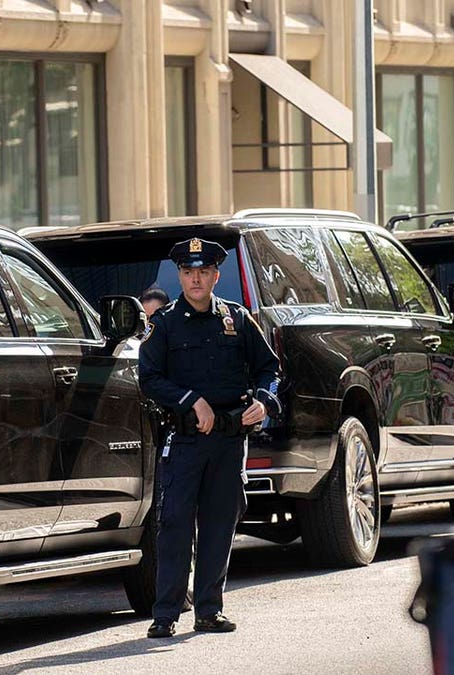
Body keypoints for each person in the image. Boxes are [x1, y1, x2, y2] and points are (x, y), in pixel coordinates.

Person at [138, 237, 281, 638]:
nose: (195, 279)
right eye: (187, 272)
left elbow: (270, 368)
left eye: (203, 272)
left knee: (220, 523)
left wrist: (264, 402)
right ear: (180, 276)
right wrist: (190, 401)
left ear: (216, 276)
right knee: (175, 524)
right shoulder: (165, 323)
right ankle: (165, 612)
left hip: (230, 439)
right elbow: (148, 378)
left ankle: (209, 610)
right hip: (185, 441)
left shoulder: (236, 319)